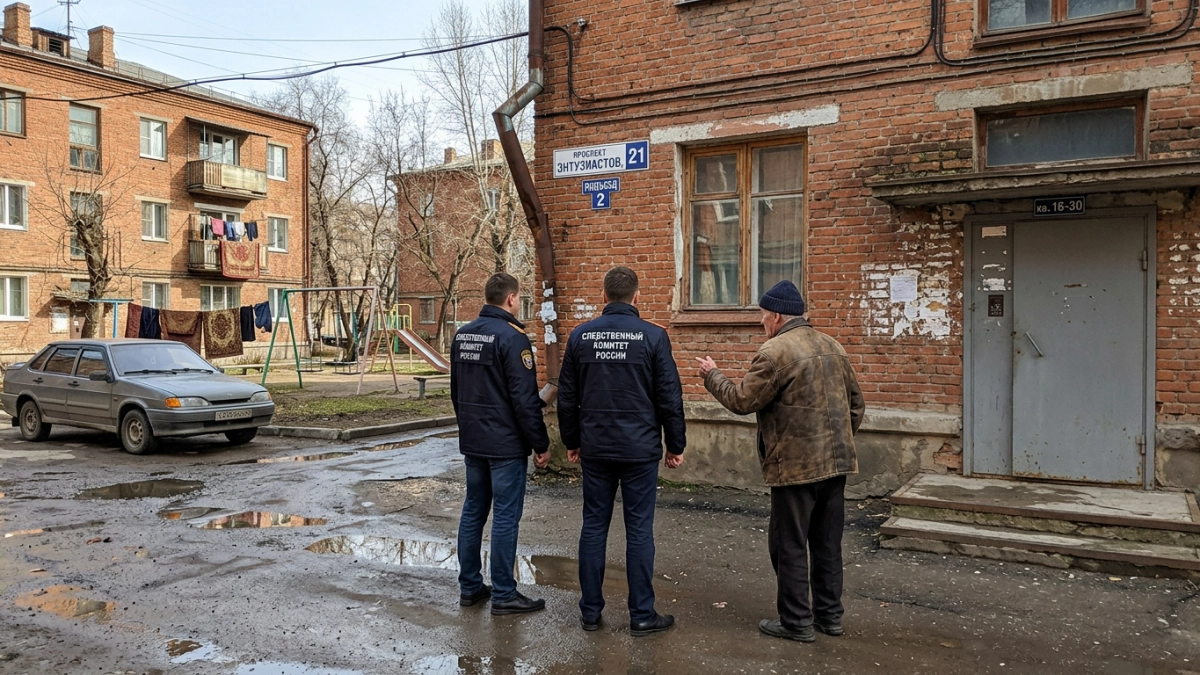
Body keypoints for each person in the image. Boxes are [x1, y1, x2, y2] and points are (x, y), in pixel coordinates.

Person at [697, 280, 864, 642]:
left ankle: (796, 621)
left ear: (775, 316)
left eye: (762, 315)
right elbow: (856, 406)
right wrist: (838, 440)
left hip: (795, 467)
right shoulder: (834, 346)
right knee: (827, 544)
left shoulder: (775, 352)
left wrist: (712, 376)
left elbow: (743, 401)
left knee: (788, 544)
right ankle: (830, 617)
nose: (761, 322)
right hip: (836, 464)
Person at [558, 266, 687, 637]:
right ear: (637, 296)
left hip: (596, 448)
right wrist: (675, 444)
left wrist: (572, 441)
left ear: (604, 296)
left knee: (594, 527)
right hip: (639, 449)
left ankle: (590, 612)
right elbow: (669, 396)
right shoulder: (654, 336)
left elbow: (566, 397)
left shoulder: (580, 336)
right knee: (639, 530)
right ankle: (642, 615)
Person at [451, 272, 551, 616]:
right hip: (505, 444)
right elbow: (525, 401)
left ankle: (469, 586)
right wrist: (540, 443)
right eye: (518, 298)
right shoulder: (512, 338)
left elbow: (455, 391)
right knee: (506, 516)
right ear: (511, 299)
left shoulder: (463, 334)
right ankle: (505, 593)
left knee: (473, 511)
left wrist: (468, 428)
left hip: (474, 440)